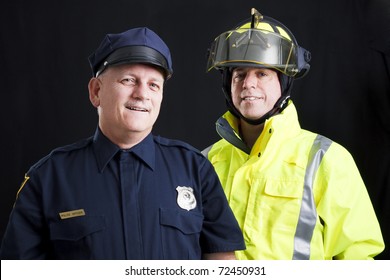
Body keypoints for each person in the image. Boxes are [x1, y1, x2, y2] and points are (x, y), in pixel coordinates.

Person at [0, 27, 245, 259]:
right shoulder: (48, 178)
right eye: (128, 80)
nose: (142, 94)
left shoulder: (196, 169)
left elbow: (221, 259)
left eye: (153, 85)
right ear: (96, 91)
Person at [202, 8, 385, 259]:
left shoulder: (325, 159)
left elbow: (358, 258)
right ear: (228, 84)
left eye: (262, 73)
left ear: (284, 82)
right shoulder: (205, 162)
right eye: (239, 74)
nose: (248, 84)